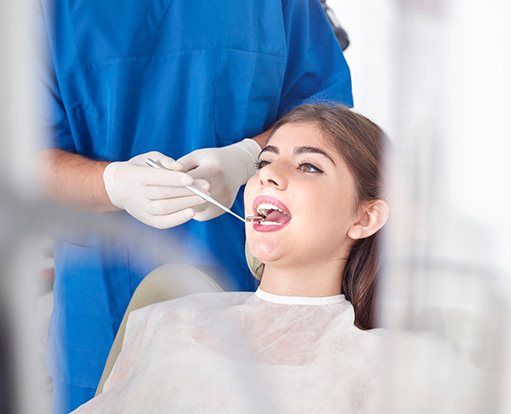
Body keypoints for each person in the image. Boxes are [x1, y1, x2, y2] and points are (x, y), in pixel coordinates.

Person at [35, 0, 353, 412]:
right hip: (102, 299)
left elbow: (329, 117)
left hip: (252, 285)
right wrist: (111, 185)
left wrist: (247, 156)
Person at [72, 104, 390, 413]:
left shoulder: (388, 364)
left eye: (308, 166)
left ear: (365, 218)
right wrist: (110, 183)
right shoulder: (168, 323)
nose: (269, 176)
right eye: (263, 163)